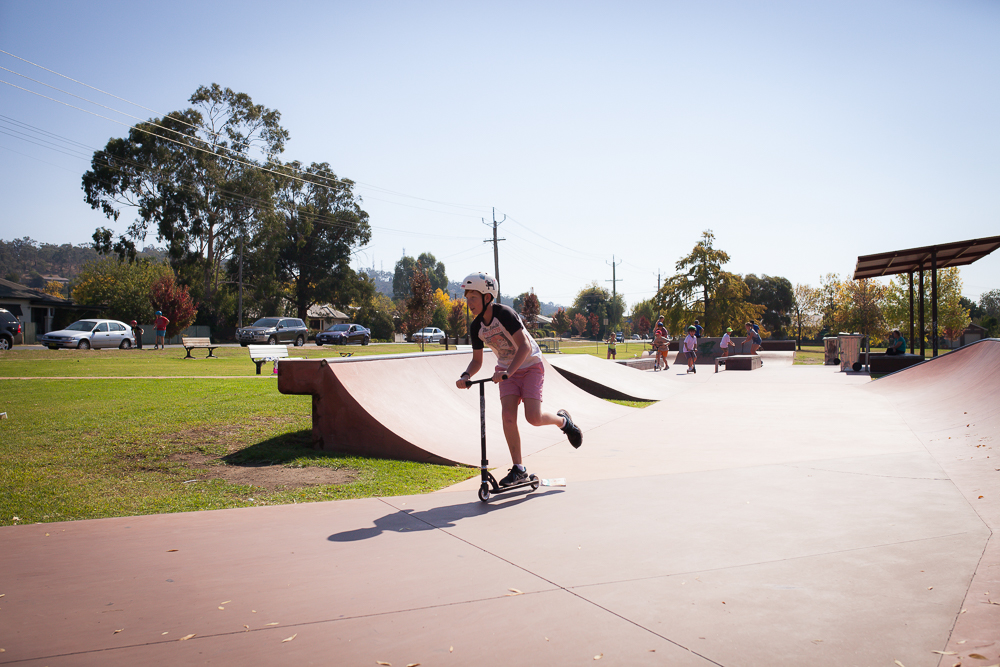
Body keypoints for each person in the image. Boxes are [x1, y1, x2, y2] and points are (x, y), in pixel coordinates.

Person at [455, 272, 582, 487]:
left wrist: (508, 373)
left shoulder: (505, 314)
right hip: (506, 370)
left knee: (533, 417)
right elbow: (476, 361)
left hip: (530, 365)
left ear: (487, 297)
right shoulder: (476, 326)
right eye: (467, 299)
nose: (469, 303)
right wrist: (466, 376)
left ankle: (564, 422)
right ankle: (519, 469)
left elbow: (523, 346)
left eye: (473, 298)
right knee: (507, 417)